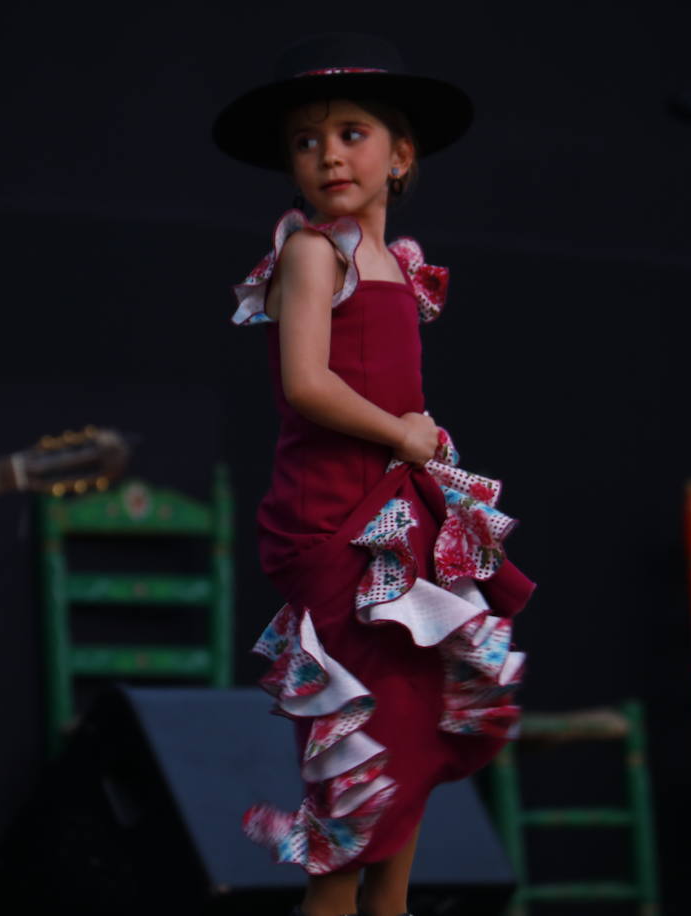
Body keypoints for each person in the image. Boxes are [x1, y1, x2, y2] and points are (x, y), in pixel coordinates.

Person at [213, 33, 536, 916]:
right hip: (337, 525)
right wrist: (402, 432)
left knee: (407, 746)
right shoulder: (313, 253)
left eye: (351, 133)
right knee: (356, 762)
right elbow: (307, 382)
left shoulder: (397, 264)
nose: (327, 154)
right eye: (306, 141)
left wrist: (416, 441)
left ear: (402, 156)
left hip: (397, 526)